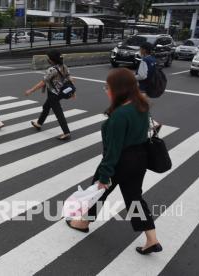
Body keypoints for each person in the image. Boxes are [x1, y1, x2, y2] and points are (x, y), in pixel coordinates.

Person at [67, 68, 162, 255]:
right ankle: (152, 239)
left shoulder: (119, 115)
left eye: (107, 87)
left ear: (118, 90)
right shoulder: (141, 105)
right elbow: (153, 127)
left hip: (121, 161)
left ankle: (83, 222)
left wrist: (104, 176)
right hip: (140, 158)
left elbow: (113, 151)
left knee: (98, 191)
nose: (106, 90)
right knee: (135, 198)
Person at [25, 49, 73, 141]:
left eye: (49, 58)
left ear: (52, 60)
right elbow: (69, 78)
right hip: (59, 93)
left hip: (53, 94)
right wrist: (73, 92)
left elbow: (43, 82)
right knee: (46, 107)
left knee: (58, 113)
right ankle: (39, 123)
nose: (48, 60)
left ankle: (66, 132)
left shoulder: (51, 70)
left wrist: (31, 90)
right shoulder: (64, 66)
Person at [136, 42, 161, 133]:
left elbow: (142, 76)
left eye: (141, 48)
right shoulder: (153, 59)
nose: (140, 50)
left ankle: (153, 125)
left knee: (139, 109)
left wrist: (132, 77)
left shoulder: (144, 60)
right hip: (148, 87)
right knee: (141, 109)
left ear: (144, 50)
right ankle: (153, 125)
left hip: (141, 88)